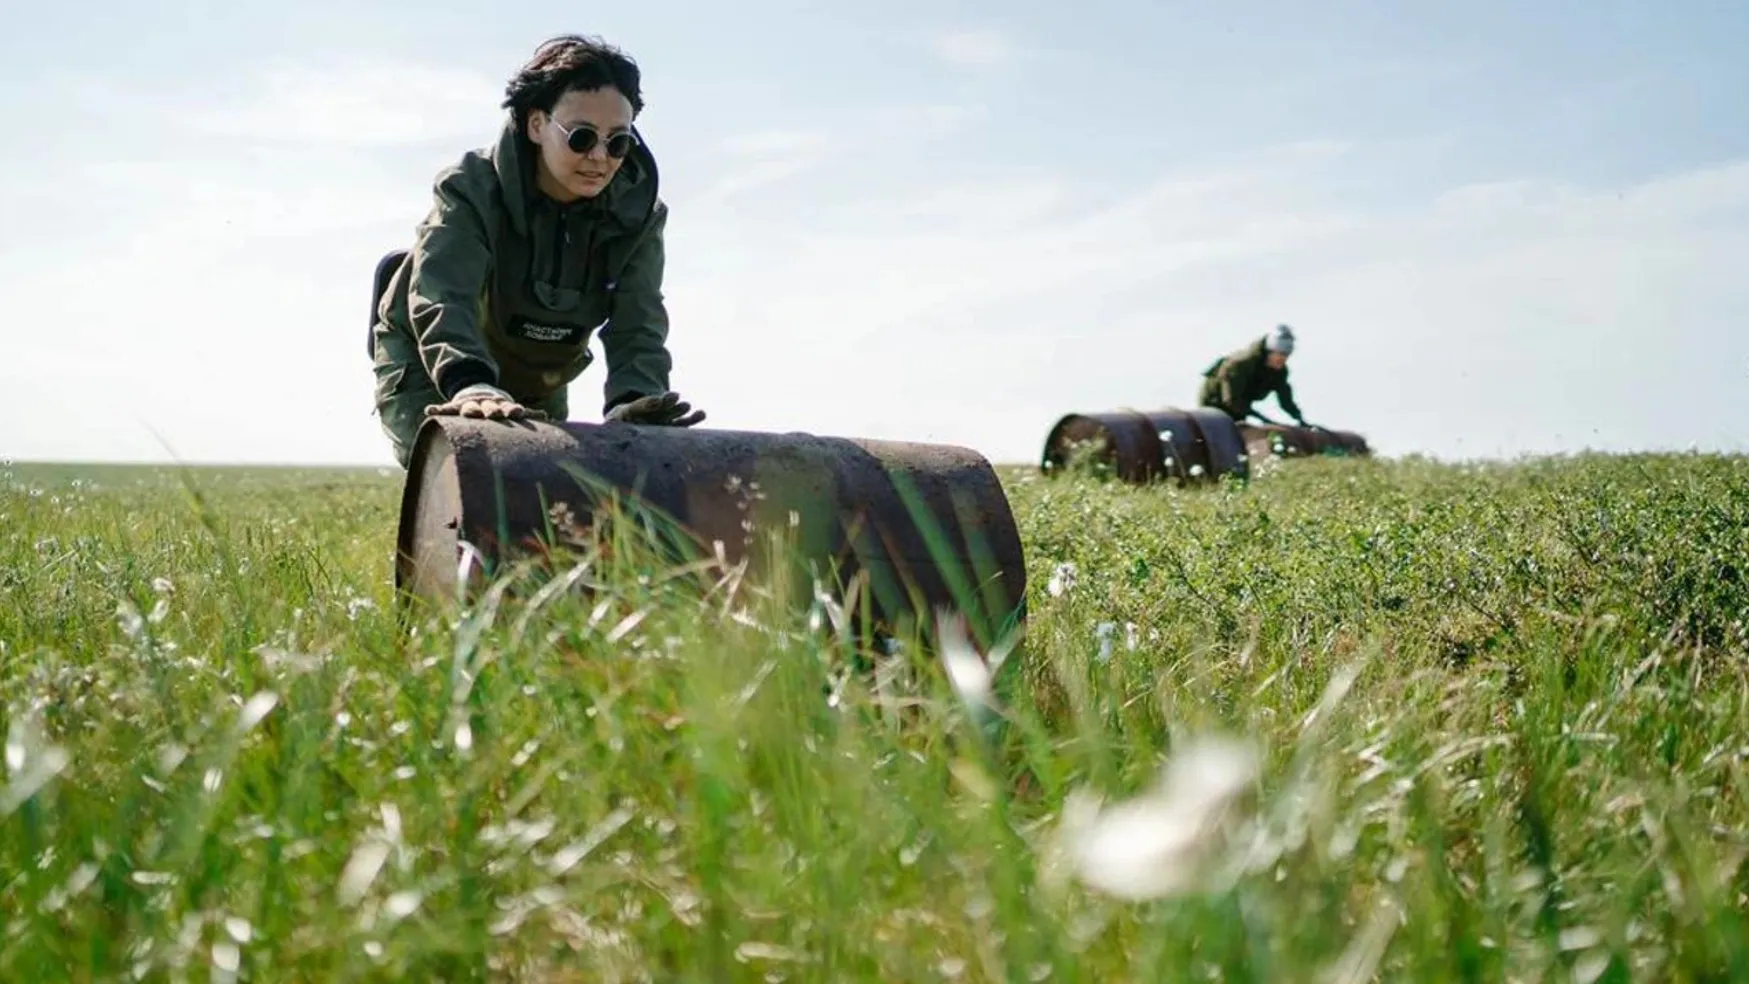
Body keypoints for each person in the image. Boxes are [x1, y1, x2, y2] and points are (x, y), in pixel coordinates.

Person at [368, 34, 705, 468]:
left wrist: (633, 401)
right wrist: (470, 384)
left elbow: (637, 323)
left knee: (539, 500)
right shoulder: (468, 189)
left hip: (538, 369)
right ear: (536, 124)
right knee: (463, 484)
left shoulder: (637, 215)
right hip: (433, 362)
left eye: (618, 142)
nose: (600, 157)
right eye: (582, 137)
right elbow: (442, 296)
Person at [1198, 324, 1311, 426]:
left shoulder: (1279, 372)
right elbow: (1232, 400)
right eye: (1279, 355)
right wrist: (1261, 418)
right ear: (1269, 352)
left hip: (1240, 408)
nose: (1282, 359)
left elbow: (1286, 400)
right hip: (1214, 404)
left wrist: (1299, 418)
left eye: (1286, 356)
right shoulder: (1240, 364)